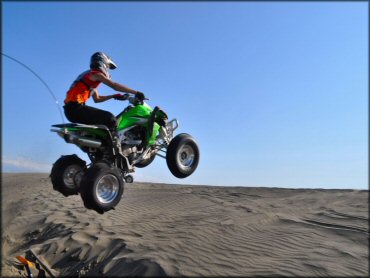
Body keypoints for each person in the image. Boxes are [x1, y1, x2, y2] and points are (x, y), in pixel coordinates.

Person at [63, 52, 145, 146]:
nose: (108, 69)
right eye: (108, 66)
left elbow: (97, 99)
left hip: (72, 110)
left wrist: (114, 96)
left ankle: (102, 147)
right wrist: (136, 92)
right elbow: (114, 85)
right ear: (103, 63)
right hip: (75, 109)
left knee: (104, 125)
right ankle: (114, 149)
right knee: (110, 119)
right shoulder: (95, 74)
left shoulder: (89, 79)